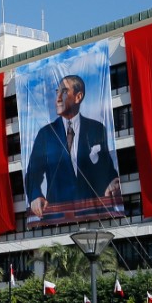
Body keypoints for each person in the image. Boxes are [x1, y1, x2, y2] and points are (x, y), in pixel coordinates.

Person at [24, 74, 121, 222]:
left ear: (78, 97)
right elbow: (32, 174)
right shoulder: (45, 134)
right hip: (57, 217)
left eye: (64, 92)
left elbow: (106, 167)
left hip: (94, 214)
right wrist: (36, 195)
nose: (57, 98)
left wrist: (113, 180)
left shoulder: (96, 128)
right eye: (57, 92)